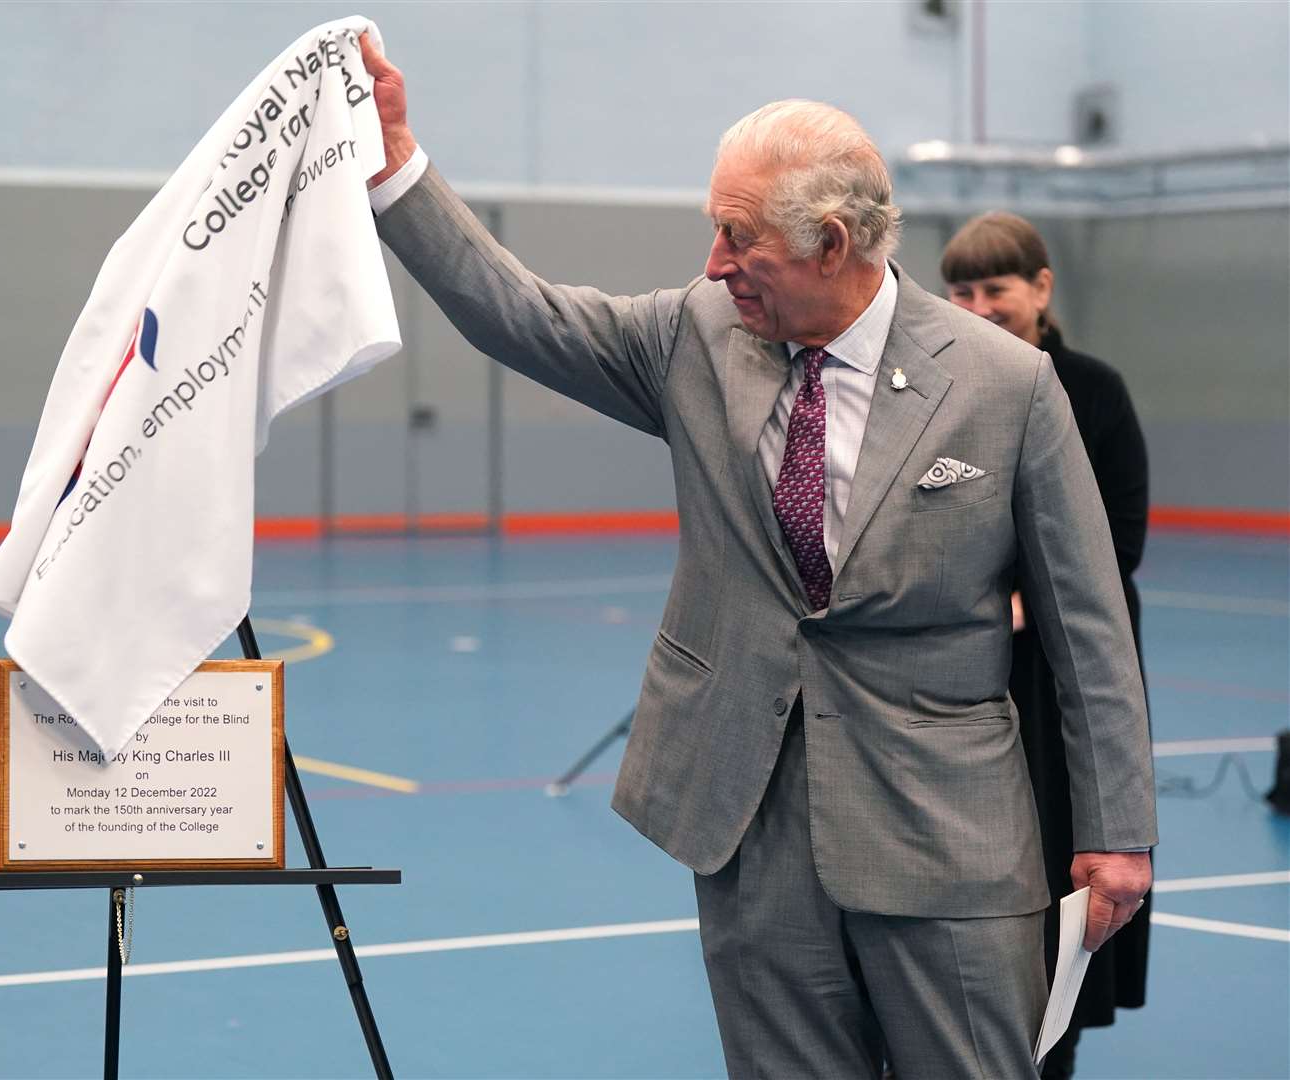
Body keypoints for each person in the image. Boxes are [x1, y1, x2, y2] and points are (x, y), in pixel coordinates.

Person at [360, 37, 1156, 1078]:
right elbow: (520, 313)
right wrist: (397, 169)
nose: (714, 263)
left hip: (942, 833)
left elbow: (1087, 623)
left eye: (738, 238)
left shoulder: (1005, 386)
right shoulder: (692, 335)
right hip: (747, 821)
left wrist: (1115, 830)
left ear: (831, 244)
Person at [943, 212, 1153, 1080]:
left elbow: (1120, 538)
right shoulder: (945, 385)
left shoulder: (1093, 390)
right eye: (960, 292)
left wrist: (1029, 600)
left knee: (1064, 851)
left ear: (1040, 288)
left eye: (996, 289)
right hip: (973, 663)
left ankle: (1052, 1038)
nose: (978, 307)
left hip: (1063, 670)